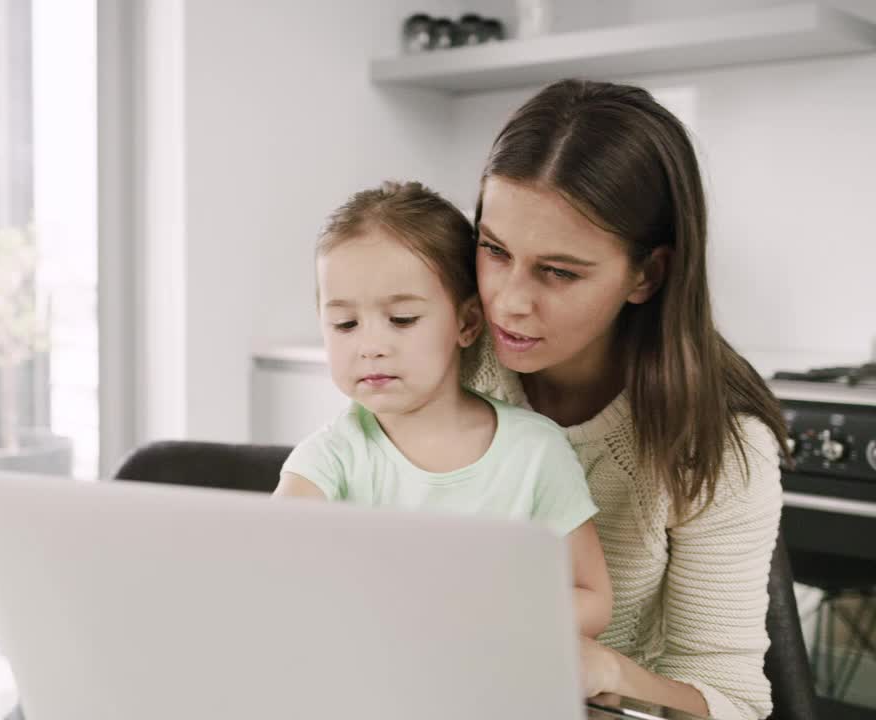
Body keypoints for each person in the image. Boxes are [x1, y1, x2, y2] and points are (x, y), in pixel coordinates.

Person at [464, 78, 787, 720]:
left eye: (558, 271)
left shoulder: (718, 446)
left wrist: (612, 672)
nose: (509, 300)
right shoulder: (444, 364)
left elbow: (736, 703)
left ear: (647, 274)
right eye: (494, 250)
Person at [273, 180, 613, 640]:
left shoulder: (535, 451)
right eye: (345, 324)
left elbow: (591, 599)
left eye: (402, 320)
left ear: (467, 323)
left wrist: (487, 623)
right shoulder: (325, 461)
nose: (370, 346)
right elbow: (272, 576)